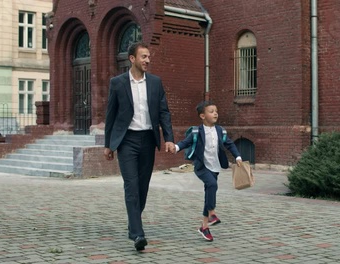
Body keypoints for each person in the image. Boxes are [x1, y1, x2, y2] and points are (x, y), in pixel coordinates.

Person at [103, 42, 175, 251]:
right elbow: (111, 115)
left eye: (148, 57)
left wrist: (168, 138)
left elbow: (164, 112)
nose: (147, 60)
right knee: (131, 186)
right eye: (143, 56)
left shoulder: (155, 82)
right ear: (132, 59)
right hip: (127, 141)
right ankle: (137, 234)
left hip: (147, 140)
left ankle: (133, 223)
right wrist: (109, 144)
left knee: (142, 188)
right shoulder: (117, 83)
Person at [173, 101, 242, 241]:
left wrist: (238, 156)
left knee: (209, 193)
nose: (215, 113)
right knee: (212, 185)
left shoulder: (220, 131)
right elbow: (185, 142)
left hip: (215, 166)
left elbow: (229, 144)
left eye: (216, 111)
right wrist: (175, 147)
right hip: (201, 166)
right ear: (202, 116)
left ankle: (204, 227)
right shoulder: (196, 131)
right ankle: (212, 213)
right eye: (211, 111)